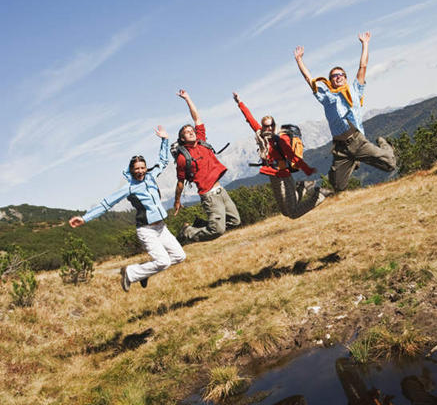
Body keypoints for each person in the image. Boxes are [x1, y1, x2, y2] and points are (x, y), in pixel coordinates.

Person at [68, 126, 186, 291]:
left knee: (180, 256)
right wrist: (85, 218)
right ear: (131, 170)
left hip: (161, 227)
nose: (140, 171)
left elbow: (163, 161)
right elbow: (106, 203)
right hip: (146, 230)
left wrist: (165, 140)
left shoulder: (151, 176)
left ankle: (143, 272)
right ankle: (130, 273)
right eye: (136, 169)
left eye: (142, 168)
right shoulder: (129, 187)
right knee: (163, 262)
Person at [294, 32, 396, 192]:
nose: (338, 77)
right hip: (341, 148)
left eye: (341, 74)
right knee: (338, 187)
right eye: (334, 76)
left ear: (346, 77)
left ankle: (384, 143)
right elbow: (309, 79)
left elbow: (363, 66)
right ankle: (310, 185)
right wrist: (299, 60)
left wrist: (365, 44)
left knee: (390, 164)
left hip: (357, 141)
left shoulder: (355, 90)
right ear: (330, 81)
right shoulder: (326, 96)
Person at [233, 92, 329, 219]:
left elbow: (291, 155)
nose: (269, 128)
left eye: (271, 125)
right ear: (263, 126)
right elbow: (250, 119)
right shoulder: (261, 135)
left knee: (292, 213)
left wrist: (306, 169)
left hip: (283, 175)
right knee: (286, 211)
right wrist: (239, 103)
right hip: (273, 176)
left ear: (274, 125)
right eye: (266, 126)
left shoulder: (280, 138)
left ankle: (320, 195)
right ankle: (302, 187)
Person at [173, 89, 241, 243]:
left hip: (220, 190)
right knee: (217, 230)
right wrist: (177, 201)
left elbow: (196, 118)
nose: (191, 132)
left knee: (235, 221)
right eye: (187, 132)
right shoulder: (183, 158)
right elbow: (180, 183)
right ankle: (187, 232)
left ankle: (198, 225)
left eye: (191, 130)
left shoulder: (202, 140)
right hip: (209, 195)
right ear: (182, 139)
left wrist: (187, 99)